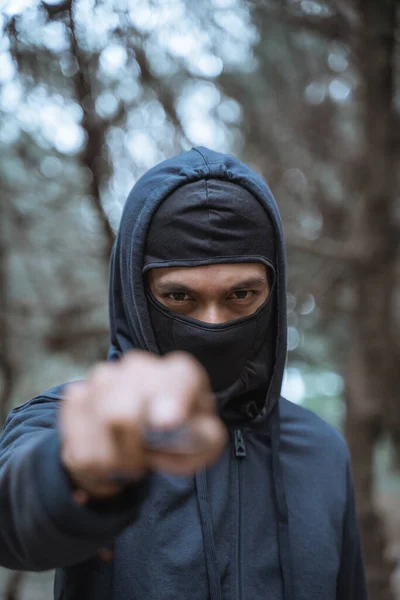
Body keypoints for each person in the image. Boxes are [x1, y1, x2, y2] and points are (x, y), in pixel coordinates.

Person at [0, 146, 367, 600]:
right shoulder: (74, 420)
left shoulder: (321, 452)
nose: (213, 323)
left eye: (242, 294)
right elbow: (12, 520)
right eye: (179, 298)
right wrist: (77, 473)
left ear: (273, 292)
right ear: (137, 295)